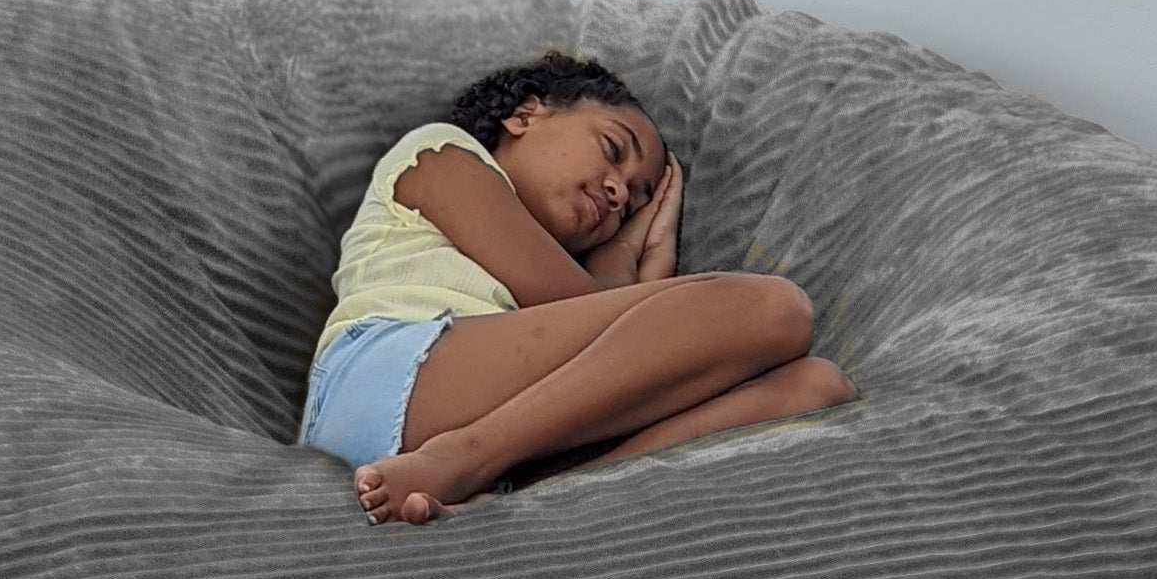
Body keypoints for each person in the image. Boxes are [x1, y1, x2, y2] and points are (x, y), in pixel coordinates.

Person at [303, 51, 853, 525]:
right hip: (385, 376)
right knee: (770, 307)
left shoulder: (560, 306)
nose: (619, 193)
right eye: (613, 150)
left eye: (637, 202)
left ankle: (514, 498)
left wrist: (641, 256)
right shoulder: (443, 154)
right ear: (526, 115)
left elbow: (614, 340)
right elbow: (574, 301)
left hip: (502, 429)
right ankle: (465, 456)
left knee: (815, 387)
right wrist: (635, 252)